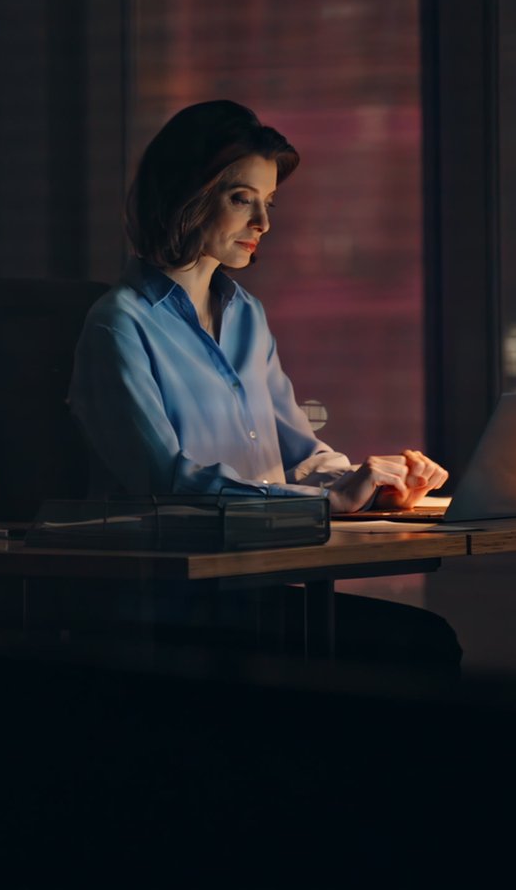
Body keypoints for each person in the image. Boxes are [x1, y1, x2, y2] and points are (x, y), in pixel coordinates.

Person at [63, 99, 462, 673]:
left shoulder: (246, 314)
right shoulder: (118, 323)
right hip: (171, 607)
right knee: (418, 647)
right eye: (242, 199)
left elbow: (298, 454)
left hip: (254, 585)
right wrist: (327, 503)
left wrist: (367, 481)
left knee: (422, 641)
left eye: (268, 202)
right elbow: (166, 484)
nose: (264, 224)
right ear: (186, 194)